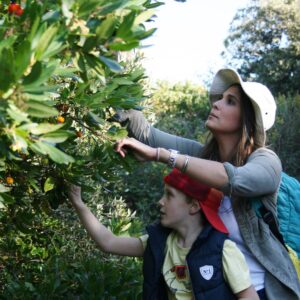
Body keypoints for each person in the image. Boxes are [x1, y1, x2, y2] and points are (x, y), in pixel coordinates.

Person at [114, 68, 300, 300]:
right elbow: (147, 135)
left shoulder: (267, 161)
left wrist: (162, 155)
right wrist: (114, 87)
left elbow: (235, 179)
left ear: (247, 119)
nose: (217, 104)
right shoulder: (201, 156)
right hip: (214, 290)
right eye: (220, 98)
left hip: (263, 292)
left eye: (230, 101)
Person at [68, 169, 259, 299]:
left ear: (193, 206)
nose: (160, 201)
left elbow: (248, 296)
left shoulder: (223, 250)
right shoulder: (160, 243)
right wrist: (79, 203)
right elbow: (108, 242)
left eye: (169, 195)